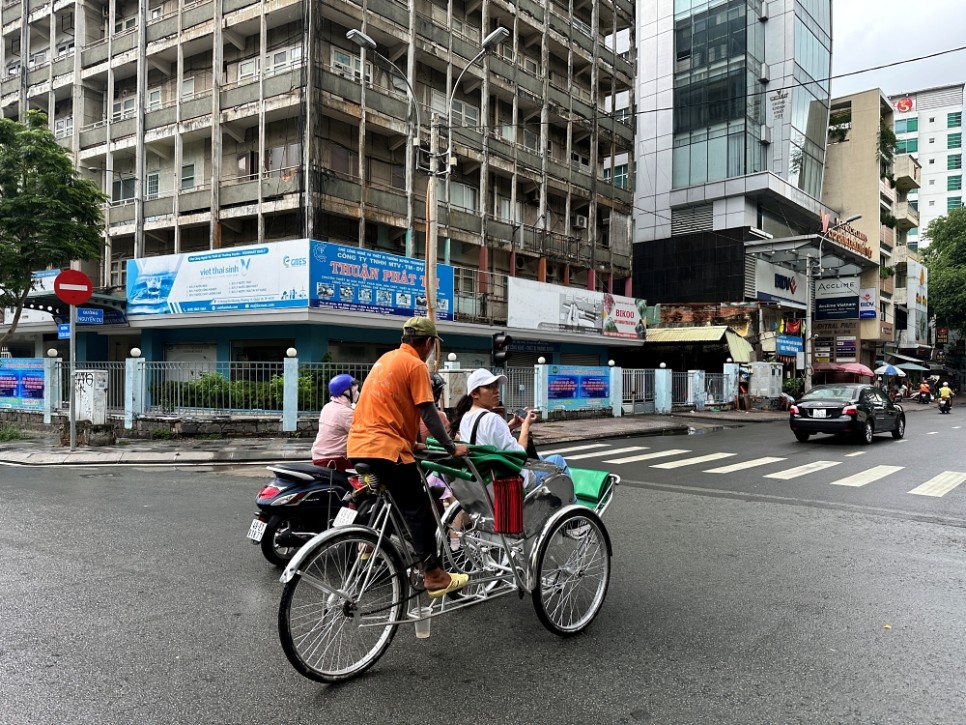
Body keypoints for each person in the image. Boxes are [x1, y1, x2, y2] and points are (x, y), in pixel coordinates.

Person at [347, 317, 470, 598]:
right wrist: (452, 447)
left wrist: (411, 443)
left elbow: (387, 409)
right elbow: (428, 412)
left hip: (358, 446)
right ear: (428, 343)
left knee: (397, 502)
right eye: (432, 346)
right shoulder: (416, 365)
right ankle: (434, 575)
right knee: (420, 510)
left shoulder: (386, 360)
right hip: (386, 449)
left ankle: (372, 549)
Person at [452, 368, 571, 490]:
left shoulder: (466, 418)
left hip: (487, 478)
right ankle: (573, 505)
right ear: (474, 394)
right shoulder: (492, 419)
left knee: (540, 459)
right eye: (489, 387)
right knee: (558, 460)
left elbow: (485, 437)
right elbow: (519, 454)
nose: (496, 391)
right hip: (512, 481)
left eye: (496, 386)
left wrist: (511, 425)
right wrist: (525, 426)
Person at [311, 374, 358, 471]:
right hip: (334, 459)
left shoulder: (328, 406)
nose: (357, 392)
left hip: (319, 456)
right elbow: (361, 433)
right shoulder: (345, 413)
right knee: (365, 475)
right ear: (346, 392)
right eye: (354, 390)